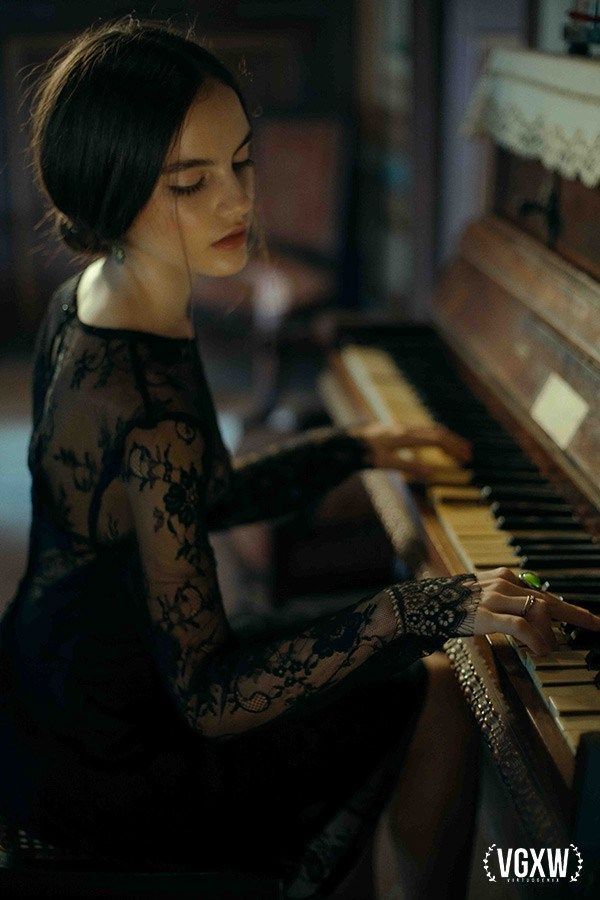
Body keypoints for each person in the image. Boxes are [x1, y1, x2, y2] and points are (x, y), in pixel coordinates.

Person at [1, 16, 598, 900]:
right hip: (116, 749)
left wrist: (356, 446)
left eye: (240, 163)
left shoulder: (102, 294)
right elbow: (210, 696)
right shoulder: (136, 399)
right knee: (435, 683)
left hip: (57, 680)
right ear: (113, 190)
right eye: (191, 184)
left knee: (429, 675)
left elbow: (192, 497)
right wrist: (424, 606)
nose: (237, 202)